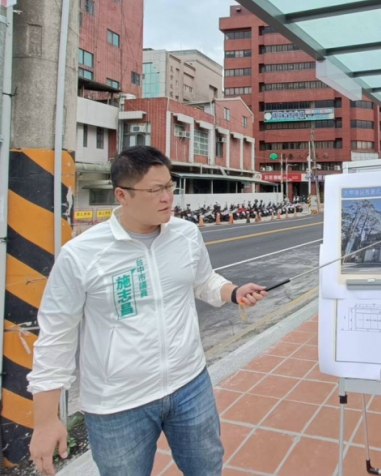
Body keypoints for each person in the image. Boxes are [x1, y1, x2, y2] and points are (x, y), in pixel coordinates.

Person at [28, 146, 267, 476]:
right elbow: (56, 337)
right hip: (118, 405)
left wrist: (233, 292)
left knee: (208, 469)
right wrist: (45, 420)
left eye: (170, 186)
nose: (168, 197)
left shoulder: (185, 234)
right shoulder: (81, 255)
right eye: (155, 190)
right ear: (122, 195)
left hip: (190, 384)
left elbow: (204, 281)